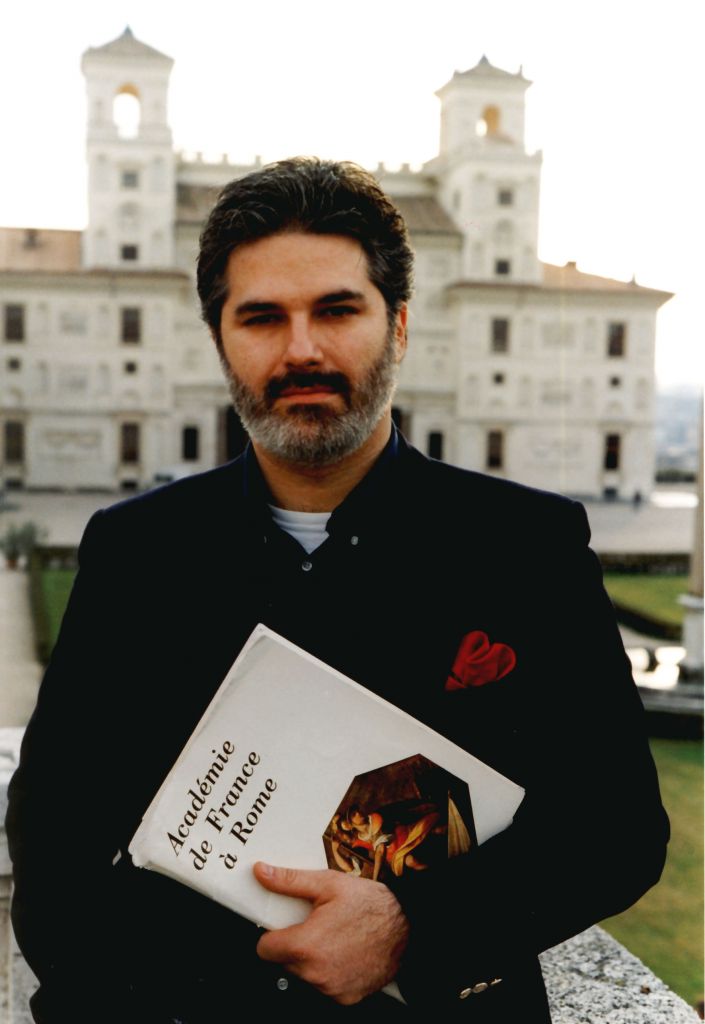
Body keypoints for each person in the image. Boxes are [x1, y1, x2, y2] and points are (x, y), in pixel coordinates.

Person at [7, 157, 669, 1023]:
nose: (302, 351)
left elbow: (616, 830)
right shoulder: (137, 551)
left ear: (398, 327)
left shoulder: (524, 545)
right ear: (219, 339)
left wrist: (413, 927)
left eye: (336, 310)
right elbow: (54, 834)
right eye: (261, 318)